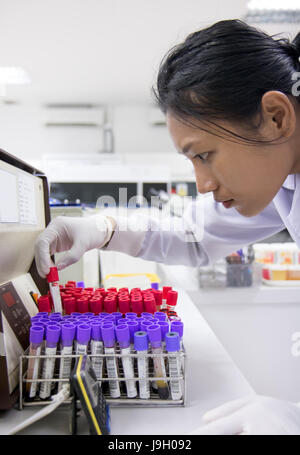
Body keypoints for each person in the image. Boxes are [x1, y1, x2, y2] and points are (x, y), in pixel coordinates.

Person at [35, 20, 300, 434]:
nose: (203, 183)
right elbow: (195, 231)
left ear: (275, 116)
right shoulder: (285, 179)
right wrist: (102, 228)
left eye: (205, 155)